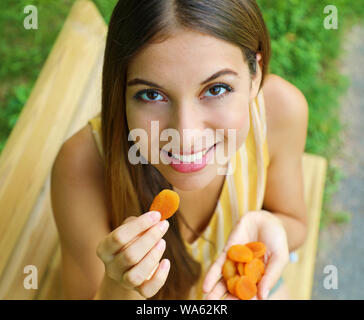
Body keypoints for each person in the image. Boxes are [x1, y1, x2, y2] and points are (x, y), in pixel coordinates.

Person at [50, 0, 308, 300]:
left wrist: (273, 227)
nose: (185, 136)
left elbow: (296, 223)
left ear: (254, 76)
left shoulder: (280, 111)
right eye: (151, 94)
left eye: (216, 89)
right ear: (120, 90)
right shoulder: (80, 164)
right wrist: (120, 285)